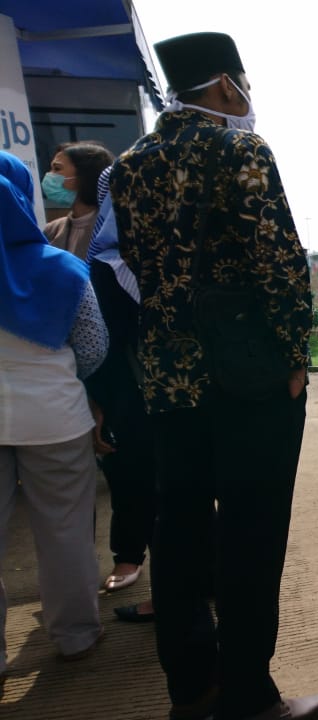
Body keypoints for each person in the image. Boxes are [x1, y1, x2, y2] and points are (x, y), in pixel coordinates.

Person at [110, 32, 318, 720]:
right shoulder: (241, 150)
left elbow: (142, 269)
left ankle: (191, 686)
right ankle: (246, 695)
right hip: (249, 378)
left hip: (168, 376)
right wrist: (295, 354)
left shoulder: (127, 166)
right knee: (251, 532)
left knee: (177, 528)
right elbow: (280, 264)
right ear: (228, 85)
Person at [0, 150, 107, 668]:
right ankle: (76, 634)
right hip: (57, 417)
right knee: (65, 529)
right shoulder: (63, 267)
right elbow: (92, 345)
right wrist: (67, 379)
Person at [81, 168, 160, 619]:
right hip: (133, 392)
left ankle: (180, 592)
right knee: (138, 481)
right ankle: (134, 559)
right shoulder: (108, 264)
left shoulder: (169, 257)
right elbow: (101, 345)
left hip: (164, 393)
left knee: (175, 491)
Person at [40, 141, 114, 260]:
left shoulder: (112, 229)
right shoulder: (52, 230)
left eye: (57, 168)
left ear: (84, 175)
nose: (49, 175)